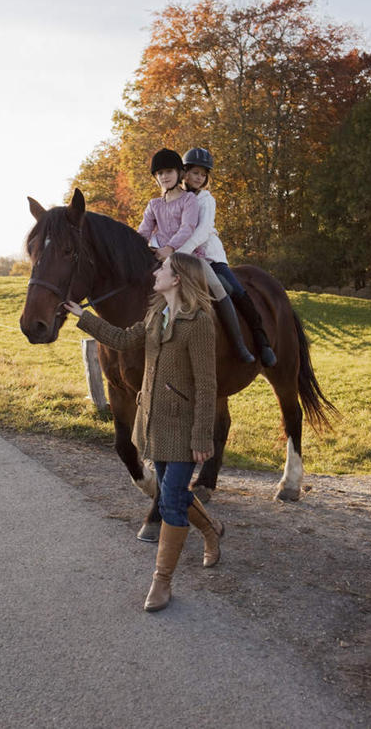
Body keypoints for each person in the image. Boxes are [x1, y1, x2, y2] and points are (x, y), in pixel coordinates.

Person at [64, 252, 224, 613]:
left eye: (164, 268)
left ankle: (161, 582)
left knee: (169, 500)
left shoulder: (199, 323)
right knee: (175, 493)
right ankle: (211, 530)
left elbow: (207, 384)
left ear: (179, 278)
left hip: (183, 427)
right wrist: (82, 316)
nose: (157, 272)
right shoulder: (156, 314)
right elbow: (121, 339)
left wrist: (202, 436)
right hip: (156, 422)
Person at [138, 148, 255, 364]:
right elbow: (144, 230)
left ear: (179, 173)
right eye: (160, 173)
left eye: (169, 172)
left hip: (191, 256)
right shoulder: (153, 205)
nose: (165, 176)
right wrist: (136, 246)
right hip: (162, 258)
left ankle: (238, 344)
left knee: (219, 289)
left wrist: (170, 249)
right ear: (156, 177)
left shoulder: (190, 200)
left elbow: (188, 228)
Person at [178, 147, 277, 368]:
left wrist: (179, 252)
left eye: (203, 175)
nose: (200, 178)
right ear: (184, 173)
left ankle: (259, 341)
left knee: (235, 291)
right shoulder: (176, 197)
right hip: (180, 256)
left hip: (209, 257)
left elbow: (203, 231)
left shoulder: (206, 199)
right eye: (196, 173)